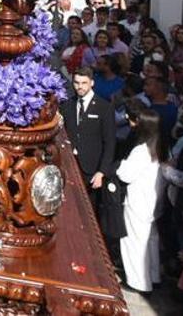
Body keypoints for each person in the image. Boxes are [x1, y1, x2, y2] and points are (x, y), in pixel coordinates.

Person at [116, 108, 166, 293]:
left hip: (138, 202)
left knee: (135, 241)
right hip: (154, 202)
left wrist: (121, 165)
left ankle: (139, 281)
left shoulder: (141, 150)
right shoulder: (161, 147)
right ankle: (153, 276)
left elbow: (125, 175)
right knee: (151, 240)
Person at [59, 69, 115, 203]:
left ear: (92, 83)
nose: (80, 86)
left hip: (92, 168)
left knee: (90, 206)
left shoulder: (104, 107)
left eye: (84, 83)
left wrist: (101, 172)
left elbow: (110, 142)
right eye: (77, 82)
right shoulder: (67, 105)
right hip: (70, 164)